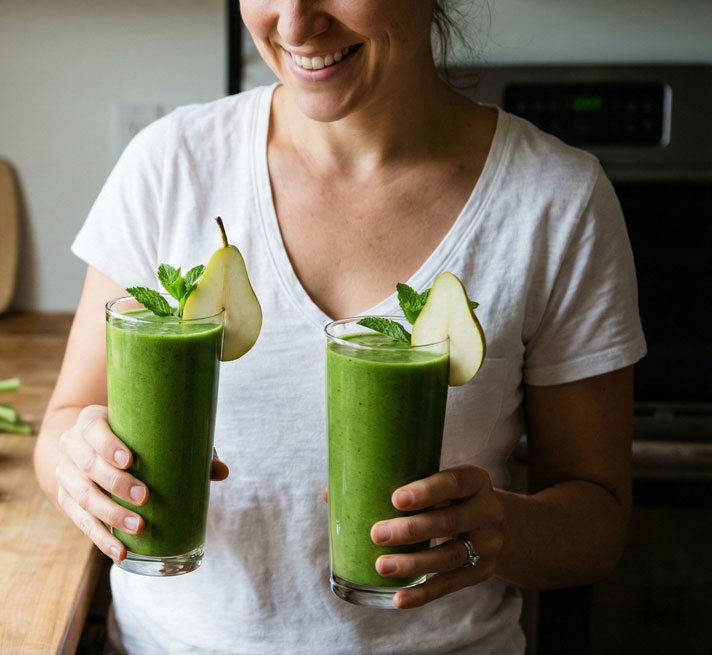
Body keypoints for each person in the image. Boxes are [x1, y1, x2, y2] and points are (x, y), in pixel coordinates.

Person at [33, 0, 646, 652]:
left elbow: (597, 521)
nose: (294, 24)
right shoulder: (171, 164)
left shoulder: (556, 200)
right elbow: (64, 423)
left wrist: (502, 529)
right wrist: (79, 465)